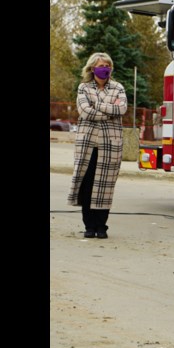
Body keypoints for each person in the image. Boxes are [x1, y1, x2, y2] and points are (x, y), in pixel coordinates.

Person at [67, 52, 128, 238]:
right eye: (101, 65)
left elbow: (122, 108)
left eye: (108, 65)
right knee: (88, 184)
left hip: (110, 143)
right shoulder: (83, 88)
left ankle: (101, 226)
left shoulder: (118, 87)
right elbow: (85, 111)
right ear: (93, 68)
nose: (105, 69)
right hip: (88, 144)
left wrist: (98, 105)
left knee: (105, 185)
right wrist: (109, 111)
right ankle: (89, 226)